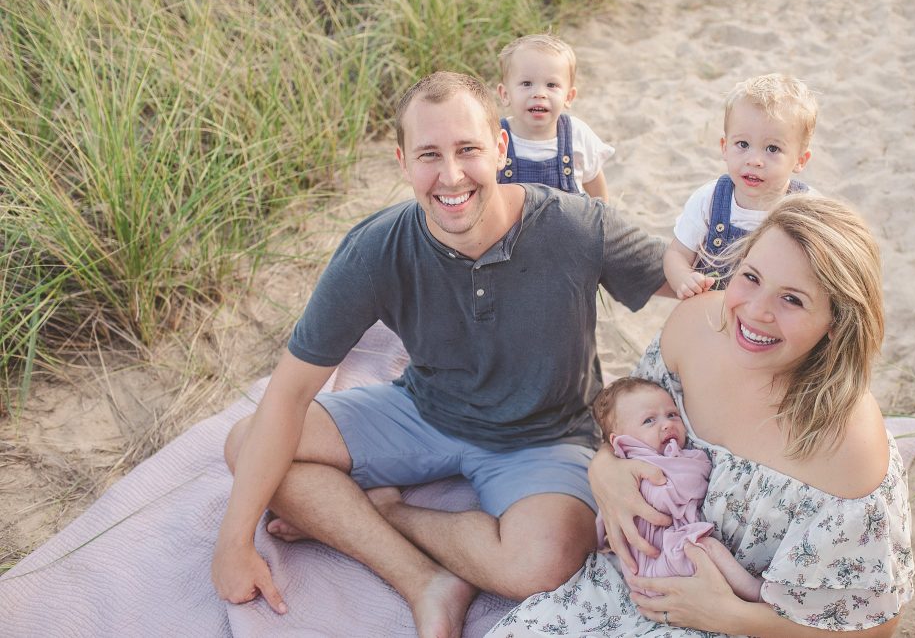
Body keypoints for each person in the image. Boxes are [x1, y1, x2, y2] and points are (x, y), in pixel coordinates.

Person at [210, 71, 668, 638]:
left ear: (501, 148)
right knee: (246, 441)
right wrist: (233, 542)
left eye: (467, 150)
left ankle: (386, 513)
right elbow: (289, 392)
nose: (451, 176)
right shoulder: (375, 248)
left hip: (545, 435)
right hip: (425, 412)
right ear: (403, 162)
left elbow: (698, 287)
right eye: (429, 155)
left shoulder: (578, 227)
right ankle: (424, 581)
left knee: (542, 564)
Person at [488, 195, 914, 637]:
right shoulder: (694, 327)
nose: (755, 311)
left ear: (836, 321)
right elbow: (628, 425)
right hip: (637, 581)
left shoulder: (846, 444)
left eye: (792, 298)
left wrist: (726, 616)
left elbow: (875, 627)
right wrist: (604, 470)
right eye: (751, 277)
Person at [591, 377, 763, 602]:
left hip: (658, 561)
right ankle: (754, 594)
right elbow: (670, 495)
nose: (667, 424)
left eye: (672, 415)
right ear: (620, 440)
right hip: (656, 564)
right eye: (649, 421)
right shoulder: (639, 466)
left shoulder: (654, 460)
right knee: (707, 547)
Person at [664, 74, 816, 299]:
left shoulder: (808, 208)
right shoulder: (710, 199)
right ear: (725, 147)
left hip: (770, 319)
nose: (754, 160)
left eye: (772, 149)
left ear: (800, 160)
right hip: (712, 314)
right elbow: (676, 254)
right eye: (742, 144)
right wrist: (685, 279)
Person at [496, 33, 613, 201]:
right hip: (516, 227)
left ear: (569, 97)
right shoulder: (496, 138)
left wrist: (603, 218)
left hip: (569, 226)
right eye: (526, 83)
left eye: (551, 85)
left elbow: (594, 181)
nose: (539, 94)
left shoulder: (577, 134)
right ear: (505, 94)